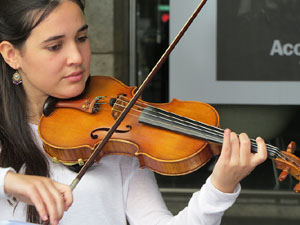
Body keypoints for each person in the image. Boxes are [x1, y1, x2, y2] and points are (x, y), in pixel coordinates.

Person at [0, 0, 268, 225]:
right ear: (12, 54)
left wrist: (220, 187)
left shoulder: (115, 131)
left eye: (81, 38)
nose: (77, 57)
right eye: (55, 46)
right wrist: (10, 182)